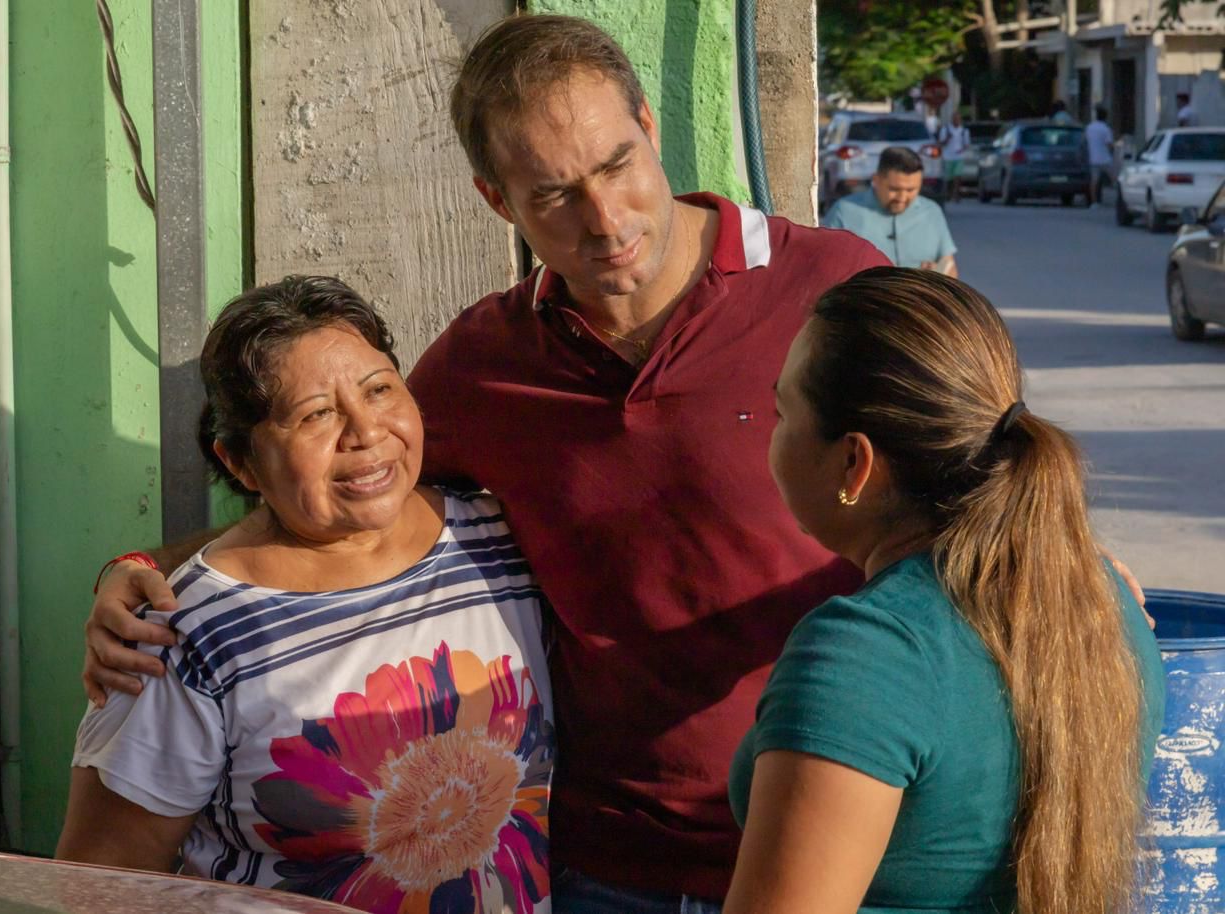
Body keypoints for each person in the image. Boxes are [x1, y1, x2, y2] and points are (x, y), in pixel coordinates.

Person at [81, 15, 1144, 913]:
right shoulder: (482, 366)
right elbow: (339, 490)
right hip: (600, 869)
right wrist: (153, 571)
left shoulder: (829, 287)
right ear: (498, 203)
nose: (604, 220)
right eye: (551, 196)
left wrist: (1070, 563)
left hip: (838, 856)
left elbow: (978, 462)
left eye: (614, 166)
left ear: (649, 128)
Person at [58, 276, 555, 913]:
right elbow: (101, 887)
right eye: (315, 414)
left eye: (379, 390)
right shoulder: (182, 637)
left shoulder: (500, 537)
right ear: (241, 464)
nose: (365, 431)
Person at [724, 267, 1164, 914]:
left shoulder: (866, 654)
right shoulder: (1103, 600)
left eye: (782, 412)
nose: (771, 432)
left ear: (855, 463)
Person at [823, 147, 958, 277]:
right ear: (876, 180)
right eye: (894, 189)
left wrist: (936, 275)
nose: (902, 198)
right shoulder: (844, 212)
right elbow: (823, 267)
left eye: (911, 190)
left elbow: (950, 267)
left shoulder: (931, 212)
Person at [937, 111, 970, 203]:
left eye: (958, 119)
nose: (957, 120)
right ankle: (948, 193)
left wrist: (963, 149)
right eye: (955, 118)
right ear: (952, 119)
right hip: (947, 157)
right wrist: (947, 139)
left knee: (957, 176)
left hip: (959, 156)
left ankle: (956, 194)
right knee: (949, 178)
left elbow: (966, 144)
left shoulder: (964, 131)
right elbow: (940, 143)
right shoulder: (946, 129)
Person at [1085, 104, 1115, 207]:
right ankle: (1120, 199)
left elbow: (1086, 141)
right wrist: (1112, 152)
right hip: (1105, 159)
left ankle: (1094, 202)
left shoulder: (1089, 128)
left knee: (1094, 181)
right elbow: (1110, 145)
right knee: (1114, 179)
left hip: (1093, 158)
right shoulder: (1106, 129)